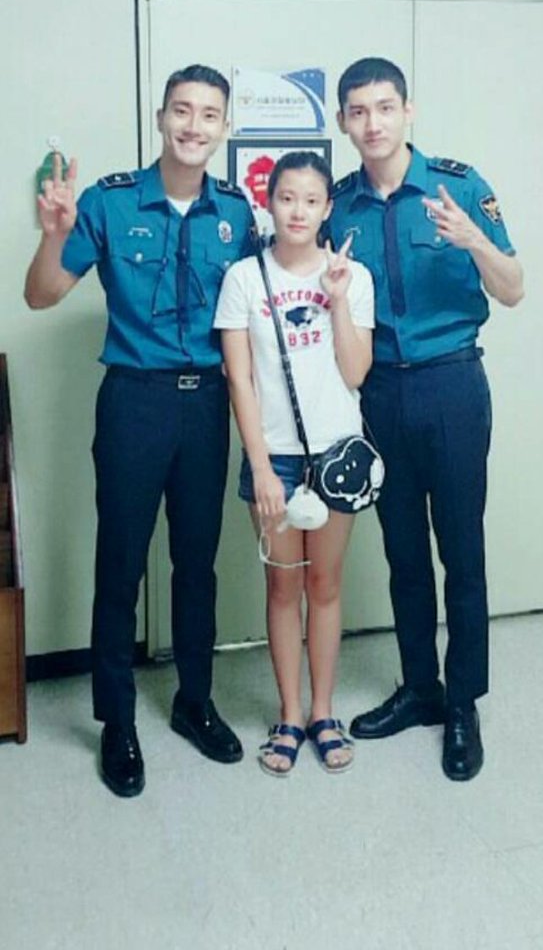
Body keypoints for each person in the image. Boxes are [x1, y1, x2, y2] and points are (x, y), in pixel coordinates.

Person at [24, 64, 256, 797]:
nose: (194, 126)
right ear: (160, 118)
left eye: (209, 114)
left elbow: (255, 318)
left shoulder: (238, 214)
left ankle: (195, 701)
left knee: (197, 564)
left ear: (224, 128)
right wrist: (54, 236)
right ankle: (117, 721)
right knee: (120, 564)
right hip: (134, 401)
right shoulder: (109, 201)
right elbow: (41, 295)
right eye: (181, 111)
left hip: (207, 404)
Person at [329, 56, 524, 782]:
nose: (372, 123)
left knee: (461, 552)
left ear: (407, 111)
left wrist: (473, 240)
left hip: (451, 386)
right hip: (379, 392)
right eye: (358, 111)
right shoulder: (338, 205)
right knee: (403, 553)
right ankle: (420, 688)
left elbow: (513, 289)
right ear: (343, 122)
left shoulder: (458, 186)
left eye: (385, 107)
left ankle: (462, 702)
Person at [214, 151, 374, 775]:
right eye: (286, 198)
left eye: (311, 200)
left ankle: (323, 713)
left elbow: (355, 373)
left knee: (325, 585)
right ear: (269, 203)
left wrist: (337, 299)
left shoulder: (352, 276)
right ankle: (288, 715)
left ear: (328, 207)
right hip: (274, 458)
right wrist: (258, 466)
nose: (298, 211)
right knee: (283, 588)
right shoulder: (244, 279)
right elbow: (240, 379)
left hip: (337, 455)